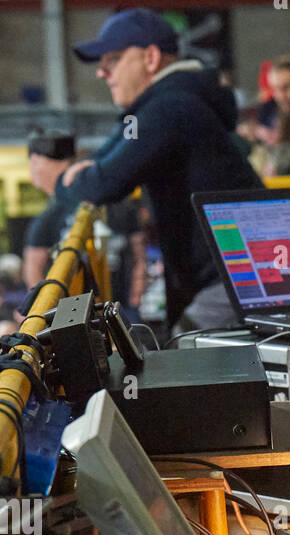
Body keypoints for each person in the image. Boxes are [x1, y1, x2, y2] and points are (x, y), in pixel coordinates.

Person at [57, 8, 261, 330]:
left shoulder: (168, 107)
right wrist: (87, 172)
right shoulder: (166, 103)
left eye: (111, 59)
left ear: (150, 58)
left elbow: (102, 184)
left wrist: (61, 181)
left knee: (181, 356)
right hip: (238, 275)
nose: (101, 72)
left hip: (237, 281)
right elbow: (105, 161)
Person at [24, 130, 147, 317]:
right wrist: (43, 312)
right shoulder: (51, 215)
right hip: (72, 314)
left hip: (119, 305)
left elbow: (139, 255)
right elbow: (34, 264)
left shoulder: (121, 207)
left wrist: (136, 296)